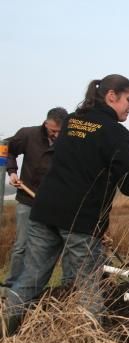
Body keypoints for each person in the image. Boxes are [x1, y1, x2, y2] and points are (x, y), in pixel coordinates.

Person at [3, 74, 129, 322]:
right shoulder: (117, 135)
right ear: (111, 96)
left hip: (44, 210)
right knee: (88, 287)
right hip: (80, 221)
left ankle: (6, 332)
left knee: (31, 278)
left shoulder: (71, 122)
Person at [3, 107, 68, 288]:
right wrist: (11, 172)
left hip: (53, 204)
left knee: (52, 247)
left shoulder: (69, 141)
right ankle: (11, 286)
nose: (56, 135)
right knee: (22, 246)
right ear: (46, 123)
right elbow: (5, 147)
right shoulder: (28, 135)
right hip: (28, 199)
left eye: (60, 132)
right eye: (53, 131)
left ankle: (40, 287)